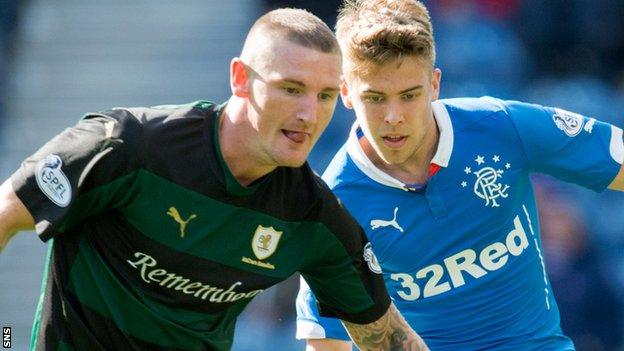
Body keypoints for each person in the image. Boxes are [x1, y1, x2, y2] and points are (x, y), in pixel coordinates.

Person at [0, 8, 428, 351]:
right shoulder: (125, 149)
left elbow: (388, 338)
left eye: (326, 95)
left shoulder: (314, 219)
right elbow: (6, 214)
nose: (310, 115)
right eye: (291, 89)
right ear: (240, 78)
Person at [295, 0, 624, 350]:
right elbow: (325, 341)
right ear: (345, 91)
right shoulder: (336, 204)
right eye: (375, 98)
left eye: (409, 95)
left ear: (435, 84)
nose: (394, 116)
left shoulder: (499, 126)